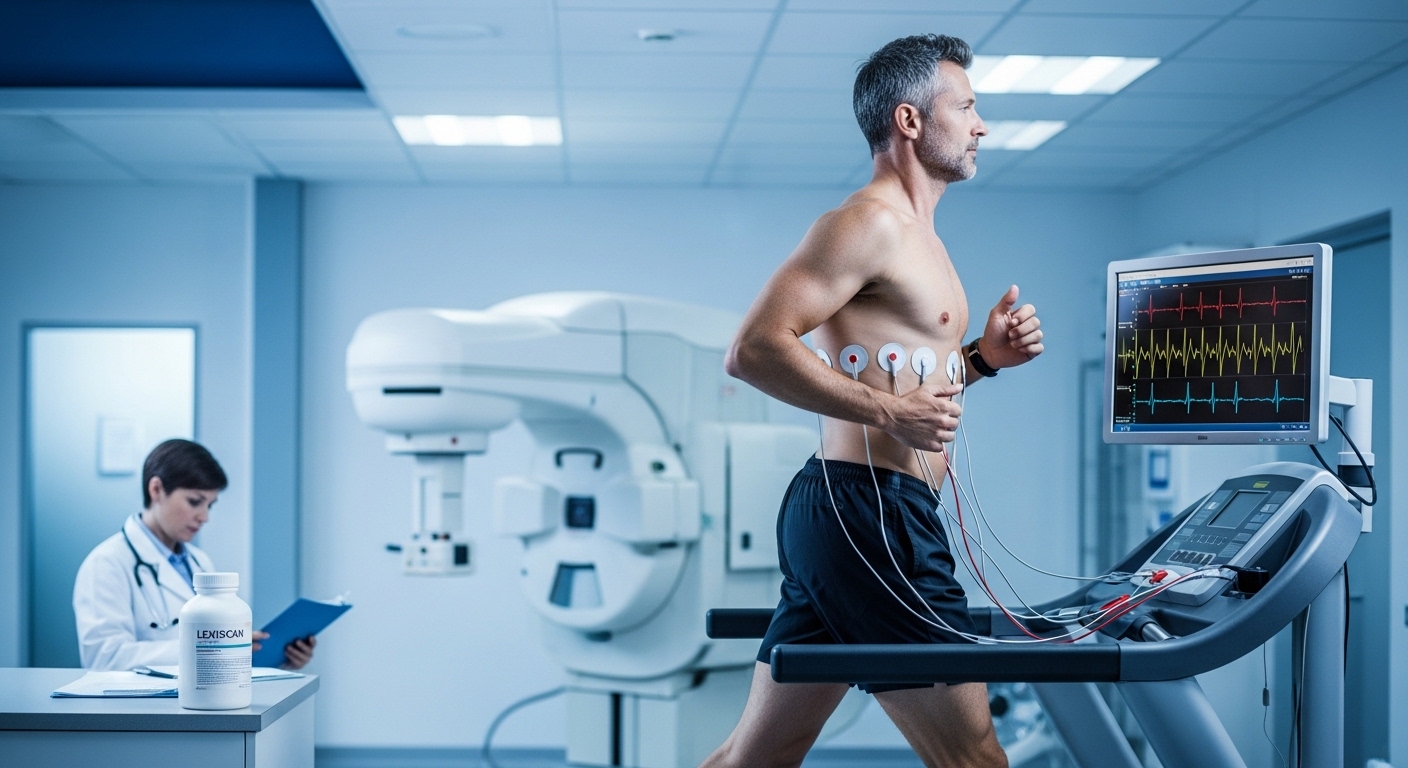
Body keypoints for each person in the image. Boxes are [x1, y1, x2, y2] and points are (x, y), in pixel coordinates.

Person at [703, 34, 1044, 768]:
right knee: (976, 757)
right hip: (875, 517)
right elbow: (754, 348)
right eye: (968, 107)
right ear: (911, 121)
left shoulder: (923, 237)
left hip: (856, 513)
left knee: (756, 759)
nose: (981, 125)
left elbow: (911, 382)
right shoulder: (867, 224)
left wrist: (984, 359)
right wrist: (888, 413)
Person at [73, 438, 316, 671]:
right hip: (145, 710)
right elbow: (104, 659)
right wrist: (204, 647)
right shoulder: (107, 564)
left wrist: (280, 657)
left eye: (209, 505)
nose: (204, 517)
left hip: (204, 702)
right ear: (156, 489)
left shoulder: (199, 562)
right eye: (194, 502)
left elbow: (221, 651)